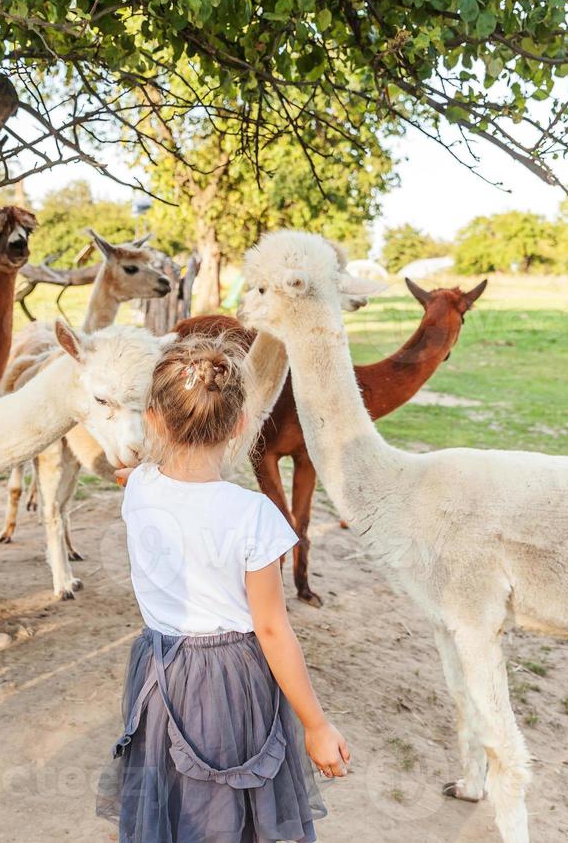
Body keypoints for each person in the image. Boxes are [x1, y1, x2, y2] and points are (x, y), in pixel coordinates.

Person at [96, 333, 350, 842]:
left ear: (152, 419)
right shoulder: (254, 516)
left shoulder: (140, 487)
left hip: (160, 668)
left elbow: (128, 473)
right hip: (231, 679)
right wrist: (317, 725)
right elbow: (273, 629)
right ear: (240, 425)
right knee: (227, 806)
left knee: (175, 799)